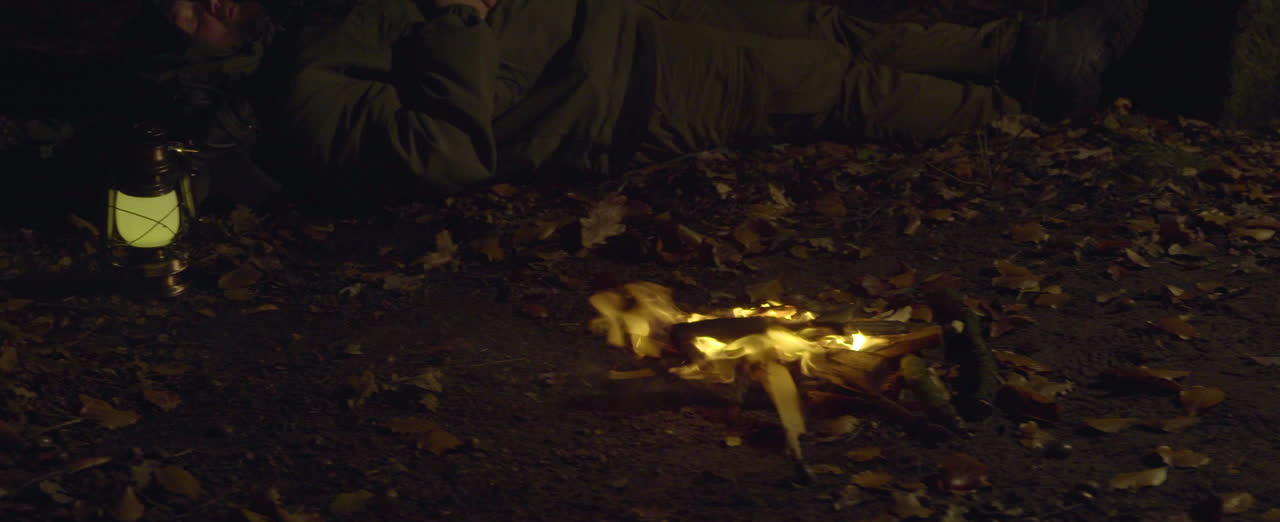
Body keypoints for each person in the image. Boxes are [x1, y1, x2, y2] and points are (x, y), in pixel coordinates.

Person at [135, 0, 1148, 207]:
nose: (212, 2)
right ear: (185, 51)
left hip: (613, 23)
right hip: (613, 94)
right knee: (834, 90)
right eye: (190, 12)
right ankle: (1029, 123)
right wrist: (459, 20)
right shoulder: (299, 104)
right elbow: (445, 152)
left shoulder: (302, 25)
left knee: (825, 29)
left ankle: (1032, 52)